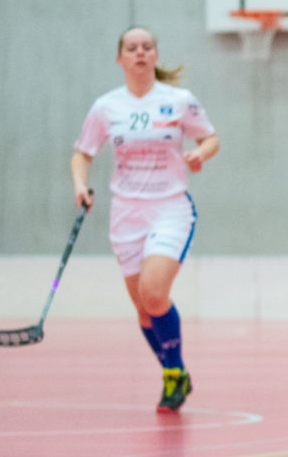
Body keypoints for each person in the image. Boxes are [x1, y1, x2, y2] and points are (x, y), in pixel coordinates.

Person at [70, 27, 219, 412]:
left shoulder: (179, 100)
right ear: (120, 59)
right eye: (131, 48)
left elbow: (210, 138)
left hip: (169, 207)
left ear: (155, 56)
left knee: (154, 293)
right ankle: (176, 371)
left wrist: (201, 153)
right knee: (142, 307)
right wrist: (80, 185)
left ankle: (173, 374)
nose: (140, 53)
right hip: (126, 212)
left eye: (147, 47)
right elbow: (83, 153)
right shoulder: (106, 107)